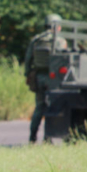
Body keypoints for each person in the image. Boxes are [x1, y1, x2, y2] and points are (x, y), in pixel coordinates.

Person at [24, 13, 67, 143]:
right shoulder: (60, 41)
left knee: (39, 108)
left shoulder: (36, 40)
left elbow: (27, 60)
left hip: (38, 77)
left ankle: (32, 138)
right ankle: (47, 138)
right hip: (53, 79)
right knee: (51, 108)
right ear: (57, 26)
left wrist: (28, 75)